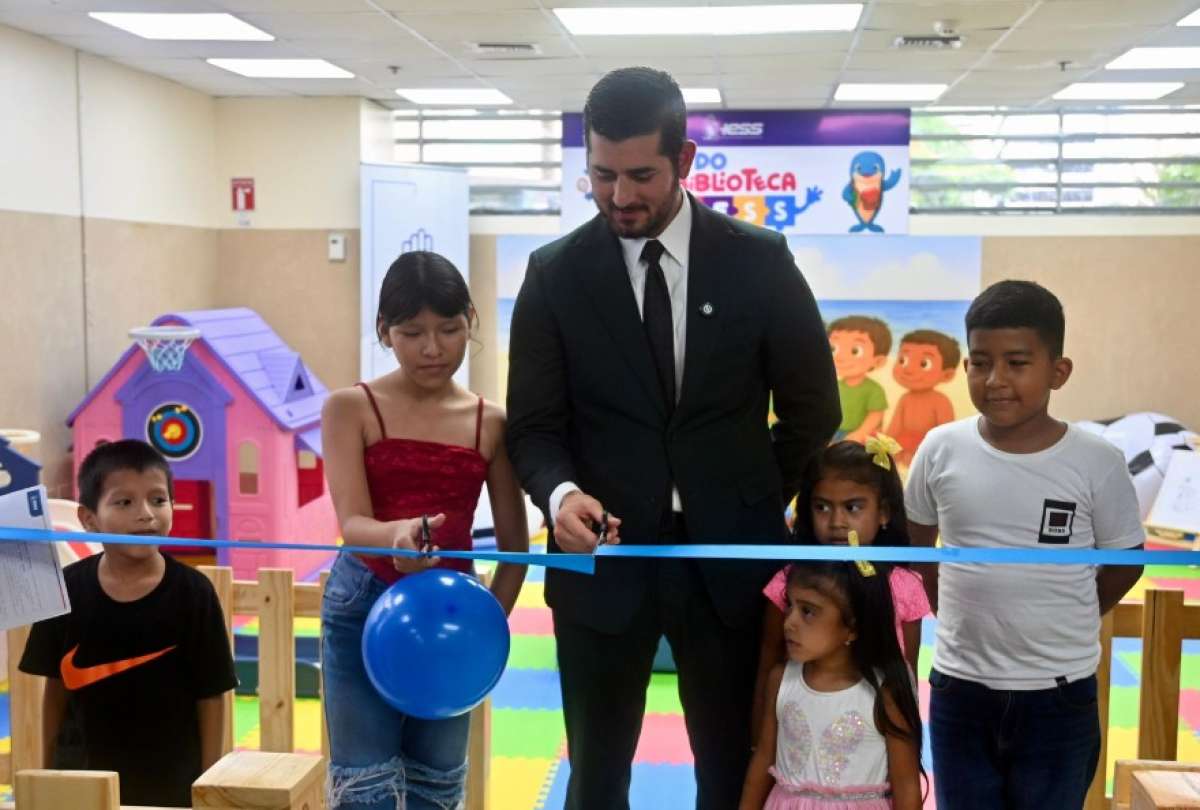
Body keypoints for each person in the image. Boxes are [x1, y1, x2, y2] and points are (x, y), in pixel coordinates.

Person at [506, 66, 840, 809]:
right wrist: (560, 496)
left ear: (685, 161)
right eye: (601, 174)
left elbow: (814, 410)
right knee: (593, 779)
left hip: (728, 566)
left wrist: (747, 498)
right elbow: (532, 426)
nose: (620, 196)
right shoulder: (553, 275)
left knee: (732, 770)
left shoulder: (759, 261)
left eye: (641, 175)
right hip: (601, 567)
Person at [906, 280, 1145, 809]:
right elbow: (918, 546)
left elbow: (1126, 563)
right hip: (960, 687)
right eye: (979, 362)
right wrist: (952, 608)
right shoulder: (941, 448)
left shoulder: (1095, 461)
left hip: (1058, 696)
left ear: (1058, 372)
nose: (995, 380)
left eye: (1017, 362)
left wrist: (1073, 611)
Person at [320, 250, 528, 810]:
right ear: (385, 332)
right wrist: (395, 536)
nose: (433, 349)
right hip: (362, 601)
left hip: (453, 614)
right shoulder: (349, 408)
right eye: (412, 332)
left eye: (450, 329)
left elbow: (516, 550)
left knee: (437, 786)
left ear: (472, 323)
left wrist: (484, 629)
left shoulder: (492, 421)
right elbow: (351, 522)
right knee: (363, 787)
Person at [19, 439, 236, 808]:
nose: (146, 514)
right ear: (89, 519)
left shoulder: (194, 594)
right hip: (81, 785)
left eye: (158, 499)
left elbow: (211, 696)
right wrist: (46, 772)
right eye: (124, 502)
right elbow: (53, 690)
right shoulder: (65, 589)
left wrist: (207, 783)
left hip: (170, 789)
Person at [754, 438, 929, 737]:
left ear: (883, 512)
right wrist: (758, 739)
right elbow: (769, 660)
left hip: (875, 742)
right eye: (822, 507)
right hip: (798, 738)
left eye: (852, 507)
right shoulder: (787, 581)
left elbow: (907, 675)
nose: (837, 521)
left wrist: (907, 752)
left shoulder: (904, 587)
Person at [739, 561, 924, 809]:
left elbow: (907, 786)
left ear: (852, 627)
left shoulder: (886, 692)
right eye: (790, 606)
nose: (789, 622)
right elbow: (762, 762)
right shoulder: (781, 680)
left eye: (808, 611)